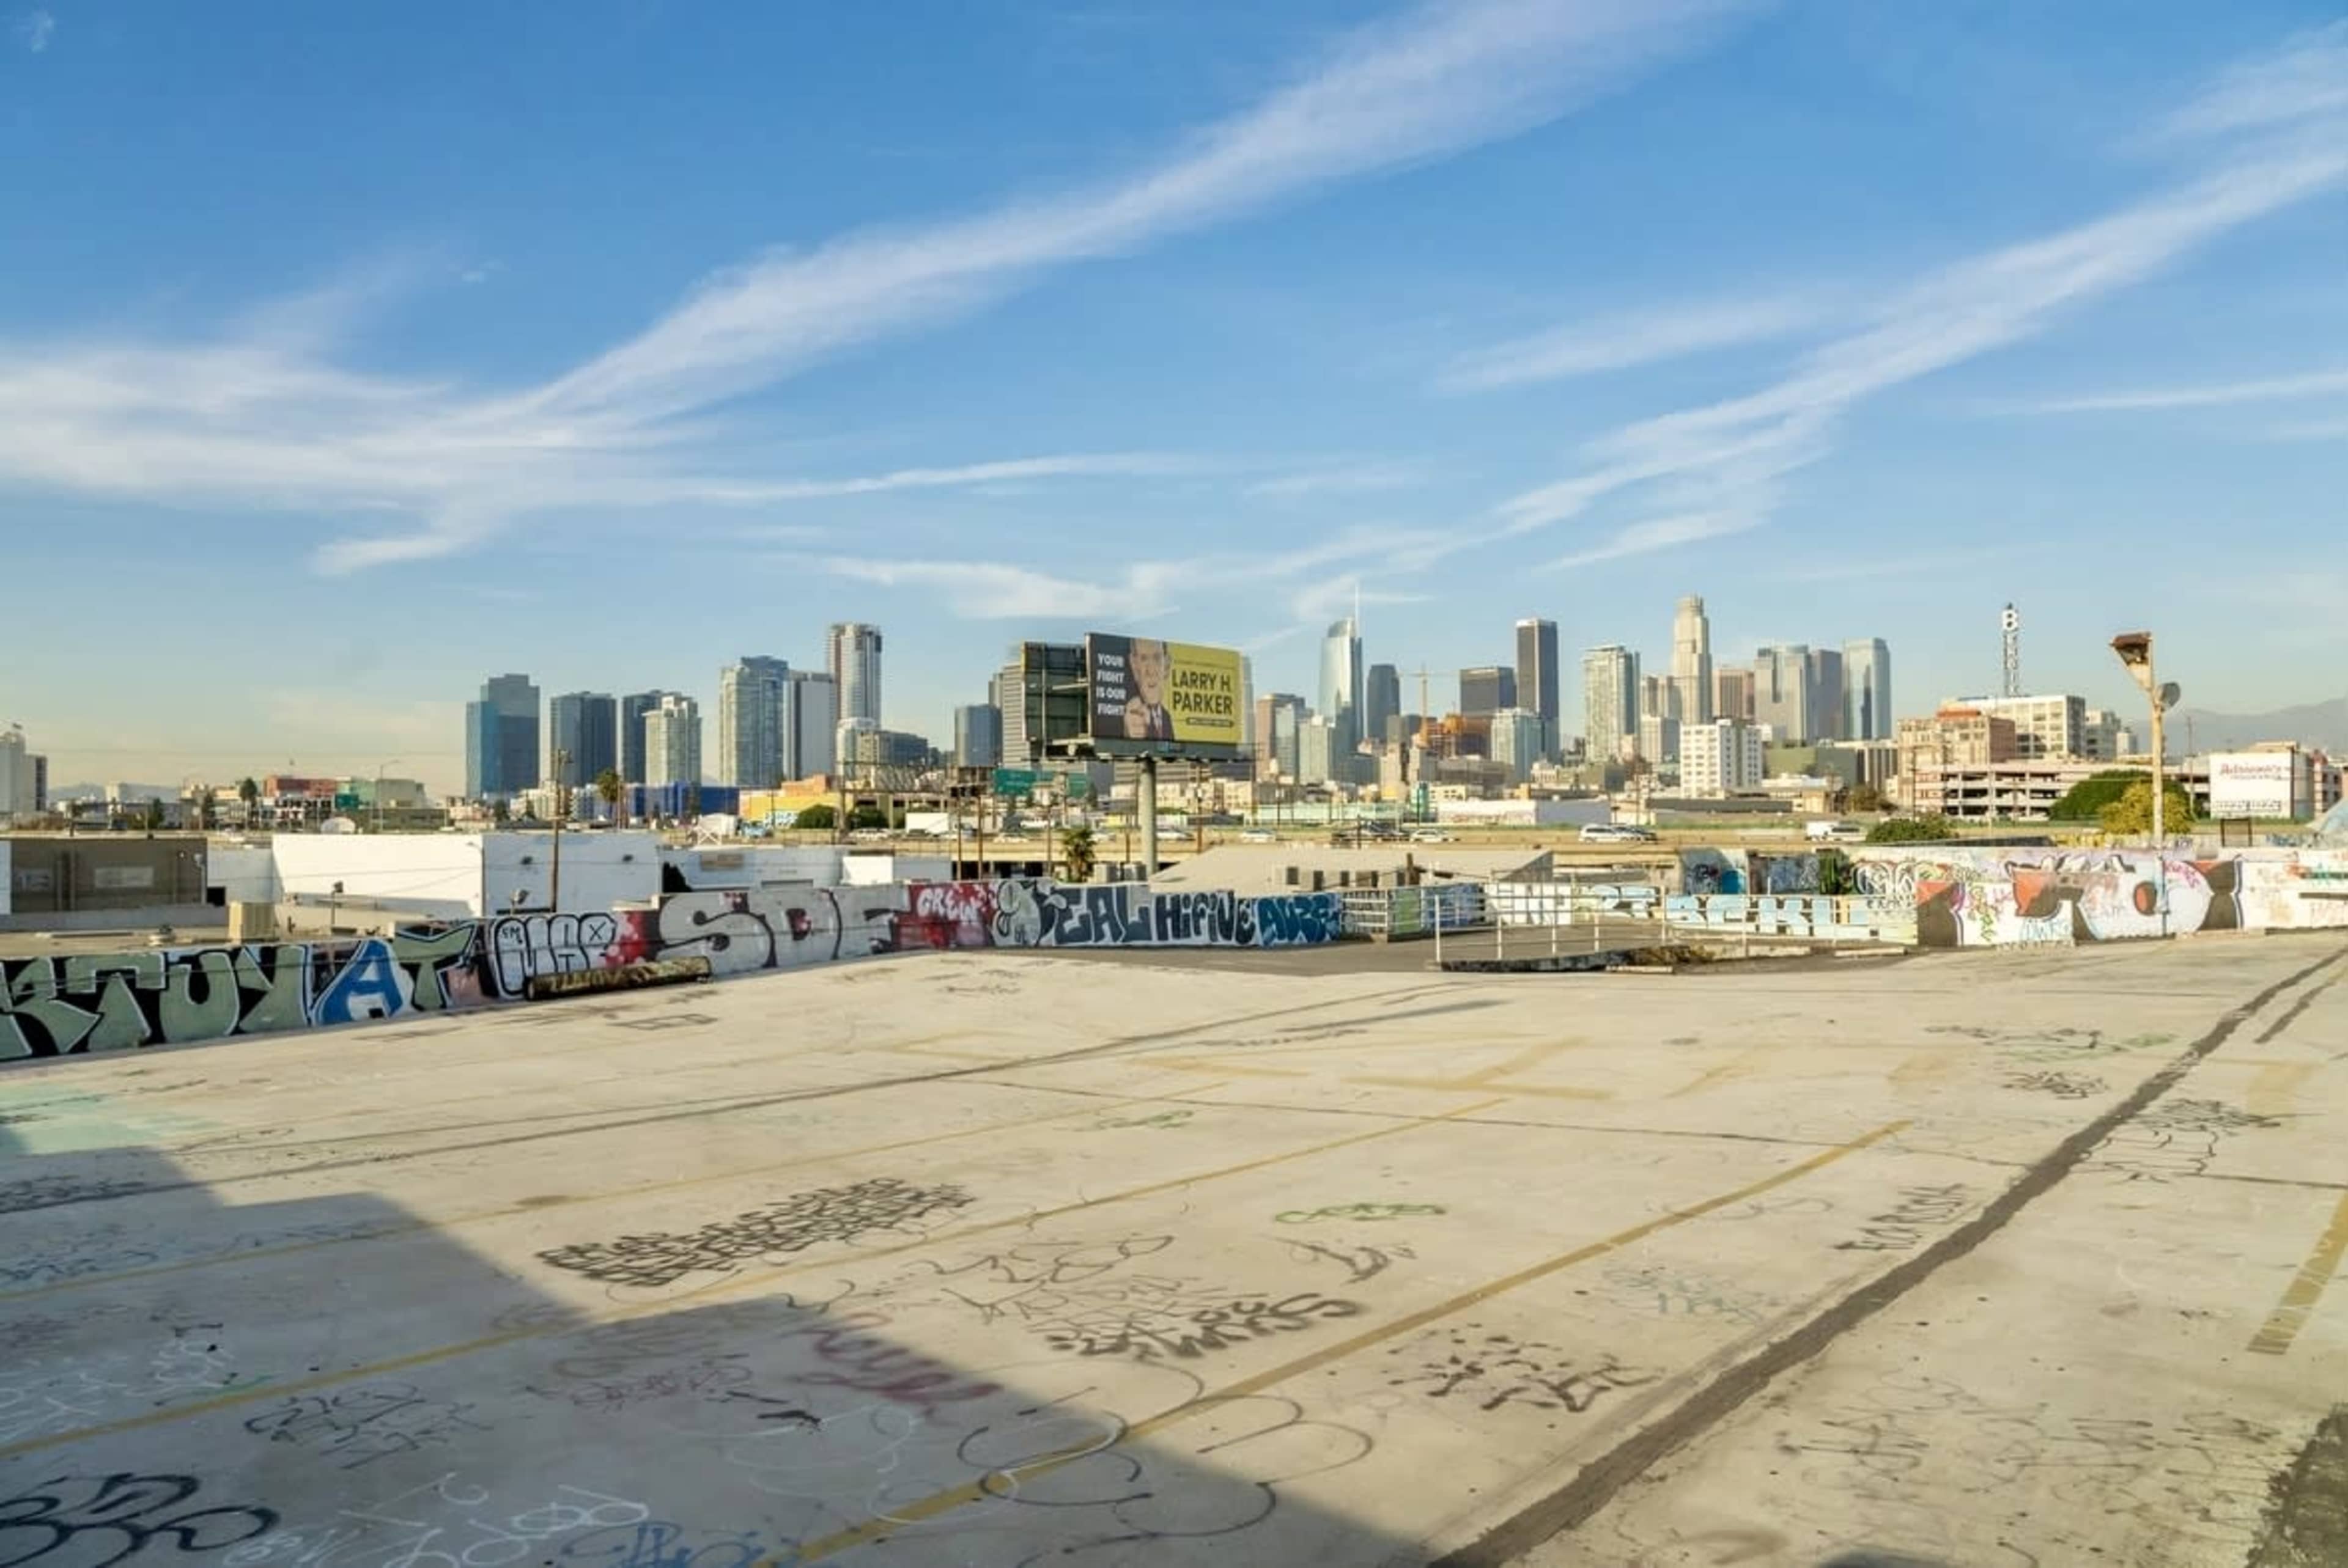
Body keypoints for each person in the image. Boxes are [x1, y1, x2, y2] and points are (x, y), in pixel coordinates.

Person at [1123, 639, 1175, 739]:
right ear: (1134, 665)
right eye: (1144, 659)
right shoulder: (1131, 713)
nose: (1151, 671)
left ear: (1167, 666)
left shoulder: (1167, 717)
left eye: (1157, 658)